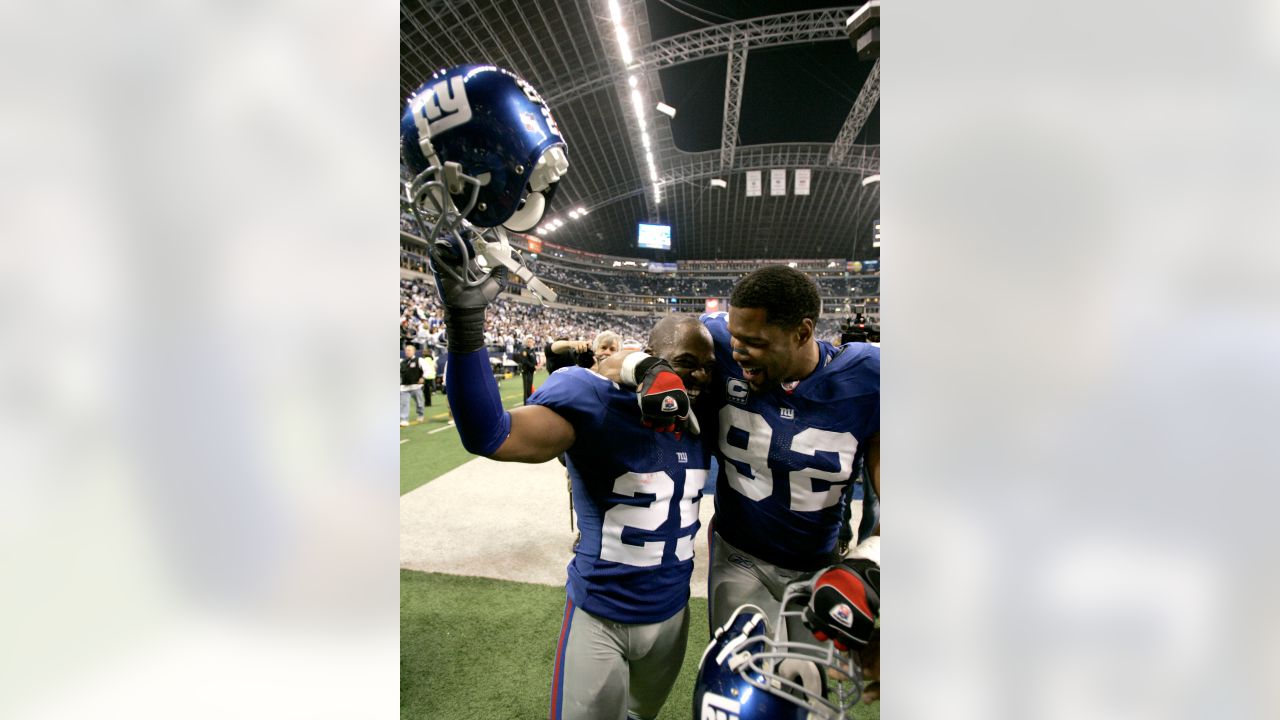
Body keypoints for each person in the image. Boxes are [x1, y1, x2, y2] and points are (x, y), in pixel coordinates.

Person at [611, 265, 880, 656]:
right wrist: (644, 369)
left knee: (806, 693)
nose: (737, 352)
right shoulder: (714, 342)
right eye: (735, 337)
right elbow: (618, 361)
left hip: (820, 566)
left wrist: (870, 563)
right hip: (739, 557)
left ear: (802, 333)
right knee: (738, 690)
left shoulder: (867, 376)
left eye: (753, 342)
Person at [399, 344, 427, 427]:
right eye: (406, 350)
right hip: (404, 387)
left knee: (419, 403)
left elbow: (427, 369)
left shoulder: (419, 360)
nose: (407, 352)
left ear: (414, 351)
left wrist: (423, 377)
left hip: (416, 386)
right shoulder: (402, 362)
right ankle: (404, 419)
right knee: (404, 403)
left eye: (409, 350)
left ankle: (420, 414)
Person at [515, 334, 539, 403]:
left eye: (531, 342)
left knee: (529, 388)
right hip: (526, 371)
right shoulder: (524, 350)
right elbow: (525, 361)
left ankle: (529, 402)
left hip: (531, 371)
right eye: (528, 342)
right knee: (526, 388)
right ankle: (526, 403)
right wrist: (533, 366)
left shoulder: (532, 350)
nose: (530, 343)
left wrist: (536, 365)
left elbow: (534, 360)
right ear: (526, 342)